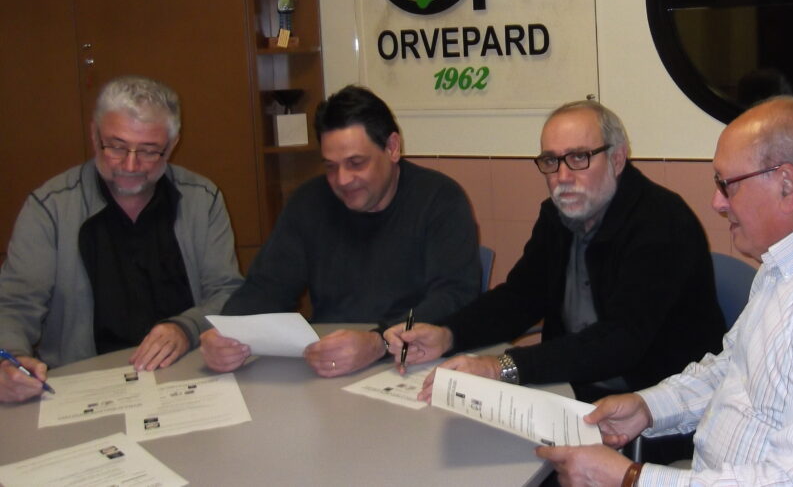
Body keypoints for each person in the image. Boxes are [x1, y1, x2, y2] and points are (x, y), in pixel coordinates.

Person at [536, 96, 793, 486]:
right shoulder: (790, 260)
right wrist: (647, 408)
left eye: (727, 185)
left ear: (786, 185)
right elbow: (733, 370)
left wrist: (630, 477)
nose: (716, 202)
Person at [388, 100, 725, 407]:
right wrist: (449, 335)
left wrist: (501, 367)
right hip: (569, 387)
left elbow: (620, 341)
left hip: (653, 403)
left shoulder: (661, 222)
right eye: (551, 161)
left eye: (579, 158)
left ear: (617, 159)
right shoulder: (557, 217)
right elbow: (518, 299)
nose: (563, 177)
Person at [200, 85, 480, 378]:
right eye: (331, 167)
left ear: (392, 147)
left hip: (412, 363)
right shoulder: (309, 202)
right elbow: (266, 287)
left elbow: (455, 296)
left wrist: (379, 342)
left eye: (356, 163)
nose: (343, 180)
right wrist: (226, 331)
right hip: (330, 362)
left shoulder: (440, 199)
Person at [0, 76, 243, 403]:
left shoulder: (202, 199)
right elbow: (14, 305)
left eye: (148, 151)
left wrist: (186, 328)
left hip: (188, 375)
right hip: (83, 386)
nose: (130, 165)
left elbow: (228, 292)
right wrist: (9, 361)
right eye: (115, 147)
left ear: (172, 145)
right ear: (94, 135)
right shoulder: (51, 208)